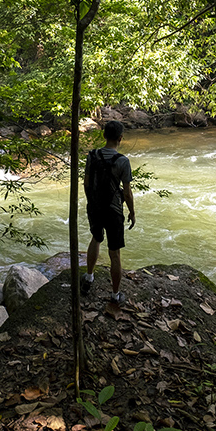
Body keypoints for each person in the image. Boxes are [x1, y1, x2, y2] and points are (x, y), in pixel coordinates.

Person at [81, 119, 135, 305]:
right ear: (120, 138)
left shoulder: (92, 155)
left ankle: (89, 277)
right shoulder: (123, 161)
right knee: (115, 253)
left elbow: (86, 183)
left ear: (104, 136)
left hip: (95, 207)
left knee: (96, 238)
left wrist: (91, 203)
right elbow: (127, 192)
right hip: (114, 210)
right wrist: (132, 212)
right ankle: (115, 294)